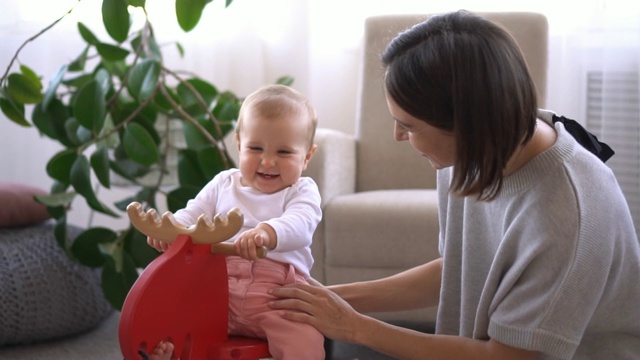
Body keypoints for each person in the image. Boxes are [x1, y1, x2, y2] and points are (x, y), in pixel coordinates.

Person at [269, 10, 640, 360]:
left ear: (468, 121)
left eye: (410, 126)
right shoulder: (476, 150)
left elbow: (507, 357)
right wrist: (325, 299)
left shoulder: (564, 213)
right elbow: (460, 267)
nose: (397, 135)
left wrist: (354, 327)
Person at [147, 84, 325, 360]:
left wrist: (267, 232)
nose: (268, 161)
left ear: (307, 156)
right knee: (172, 315)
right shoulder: (223, 183)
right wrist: (171, 232)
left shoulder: (302, 190)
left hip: (279, 297)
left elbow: (301, 223)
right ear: (239, 144)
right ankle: (169, 352)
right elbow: (192, 214)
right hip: (216, 291)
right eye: (255, 148)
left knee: (306, 339)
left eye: (284, 152)